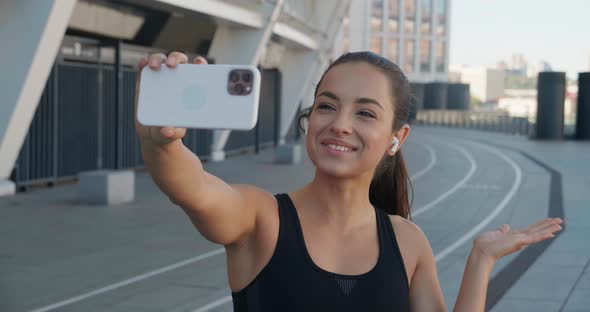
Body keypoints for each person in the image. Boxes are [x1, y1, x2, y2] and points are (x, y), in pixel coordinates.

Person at [134, 51, 563, 311]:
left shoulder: (407, 241)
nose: (340, 124)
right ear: (309, 119)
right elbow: (190, 187)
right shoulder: (259, 218)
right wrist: (160, 143)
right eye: (326, 106)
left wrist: (481, 261)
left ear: (397, 138)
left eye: (365, 113)